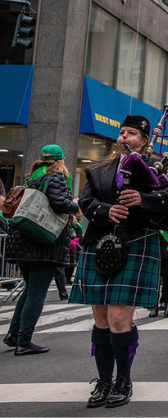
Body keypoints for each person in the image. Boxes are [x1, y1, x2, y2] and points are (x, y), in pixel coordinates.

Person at [71, 116, 168, 408]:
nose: (124, 137)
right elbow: (86, 203)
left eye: (132, 134)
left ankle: (123, 379)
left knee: (119, 319)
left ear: (145, 140)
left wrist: (144, 198)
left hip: (136, 244)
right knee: (101, 320)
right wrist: (106, 211)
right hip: (101, 244)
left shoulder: (159, 167)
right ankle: (104, 381)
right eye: (121, 132)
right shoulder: (99, 169)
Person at [3, 145, 79, 355]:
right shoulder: (55, 178)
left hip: (22, 240)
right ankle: (24, 341)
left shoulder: (32, 178)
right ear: (60, 160)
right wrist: (75, 205)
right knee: (37, 292)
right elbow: (59, 203)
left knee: (30, 289)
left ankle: (13, 334)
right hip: (42, 243)